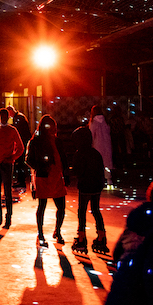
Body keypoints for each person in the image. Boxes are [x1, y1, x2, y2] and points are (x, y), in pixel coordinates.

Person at [69, 109, 108, 255]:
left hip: (85, 186)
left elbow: (77, 171)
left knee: (82, 211)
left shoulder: (79, 154)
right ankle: (101, 234)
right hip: (96, 186)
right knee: (96, 210)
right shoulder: (95, 153)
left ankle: (81, 236)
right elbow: (100, 168)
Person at [27, 115, 68, 246]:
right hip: (43, 176)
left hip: (56, 176)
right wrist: (41, 166)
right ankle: (41, 233)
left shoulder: (57, 141)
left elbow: (63, 158)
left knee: (61, 207)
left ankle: (57, 230)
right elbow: (29, 160)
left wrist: (66, 174)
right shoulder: (36, 142)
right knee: (42, 206)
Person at [0, 108, 25, 227]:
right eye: (1, 116)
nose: (3, 118)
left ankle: (6, 217)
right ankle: (1, 217)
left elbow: (21, 148)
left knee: (6, 191)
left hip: (5, 164)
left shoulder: (11, 130)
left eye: (4, 116)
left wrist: (12, 158)